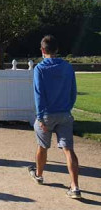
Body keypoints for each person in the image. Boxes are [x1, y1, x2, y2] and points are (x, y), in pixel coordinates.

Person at [28, 35, 81, 199]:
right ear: (57, 50)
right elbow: (73, 92)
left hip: (47, 114)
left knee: (42, 146)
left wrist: (41, 117)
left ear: (43, 50)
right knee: (68, 150)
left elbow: (39, 95)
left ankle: (39, 174)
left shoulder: (40, 69)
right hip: (64, 113)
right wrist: (67, 108)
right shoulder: (67, 67)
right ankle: (75, 186)